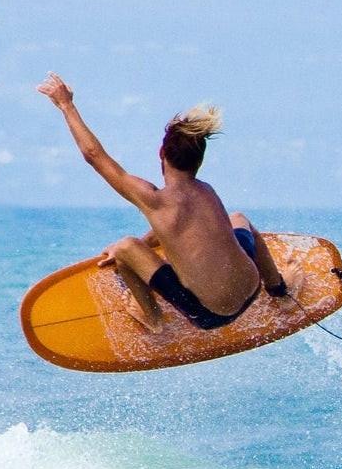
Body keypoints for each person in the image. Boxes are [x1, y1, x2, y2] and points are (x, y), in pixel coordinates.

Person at [35, 73, 300, 332]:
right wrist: (145, 247)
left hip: (211, 315)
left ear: (161, 153)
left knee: (125, 247)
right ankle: (279, 290)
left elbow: (94, 155)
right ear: (199, 160)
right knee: (239, 219)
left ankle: (153, 319)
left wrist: (66, 105)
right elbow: (173, 230)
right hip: (252, 288)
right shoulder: (206, 191)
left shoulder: (155, 201)